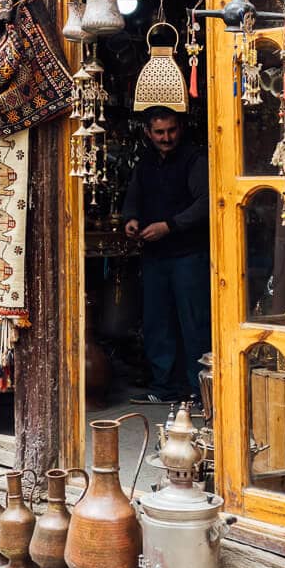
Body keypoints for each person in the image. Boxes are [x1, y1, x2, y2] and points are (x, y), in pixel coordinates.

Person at [122, 106, 211, 404]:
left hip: (189, 254)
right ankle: (166, 389)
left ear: (180, 128)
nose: (166, 137)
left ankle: (200, 391)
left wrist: (169, 226)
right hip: (155, 257)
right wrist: (131, 219)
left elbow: (206, 203)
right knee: (157, 323)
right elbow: (134, 196)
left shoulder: (194, 159)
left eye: (171, 130)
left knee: (194, 323)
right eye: (159, 132)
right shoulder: (145, 162)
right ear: (148, 133)